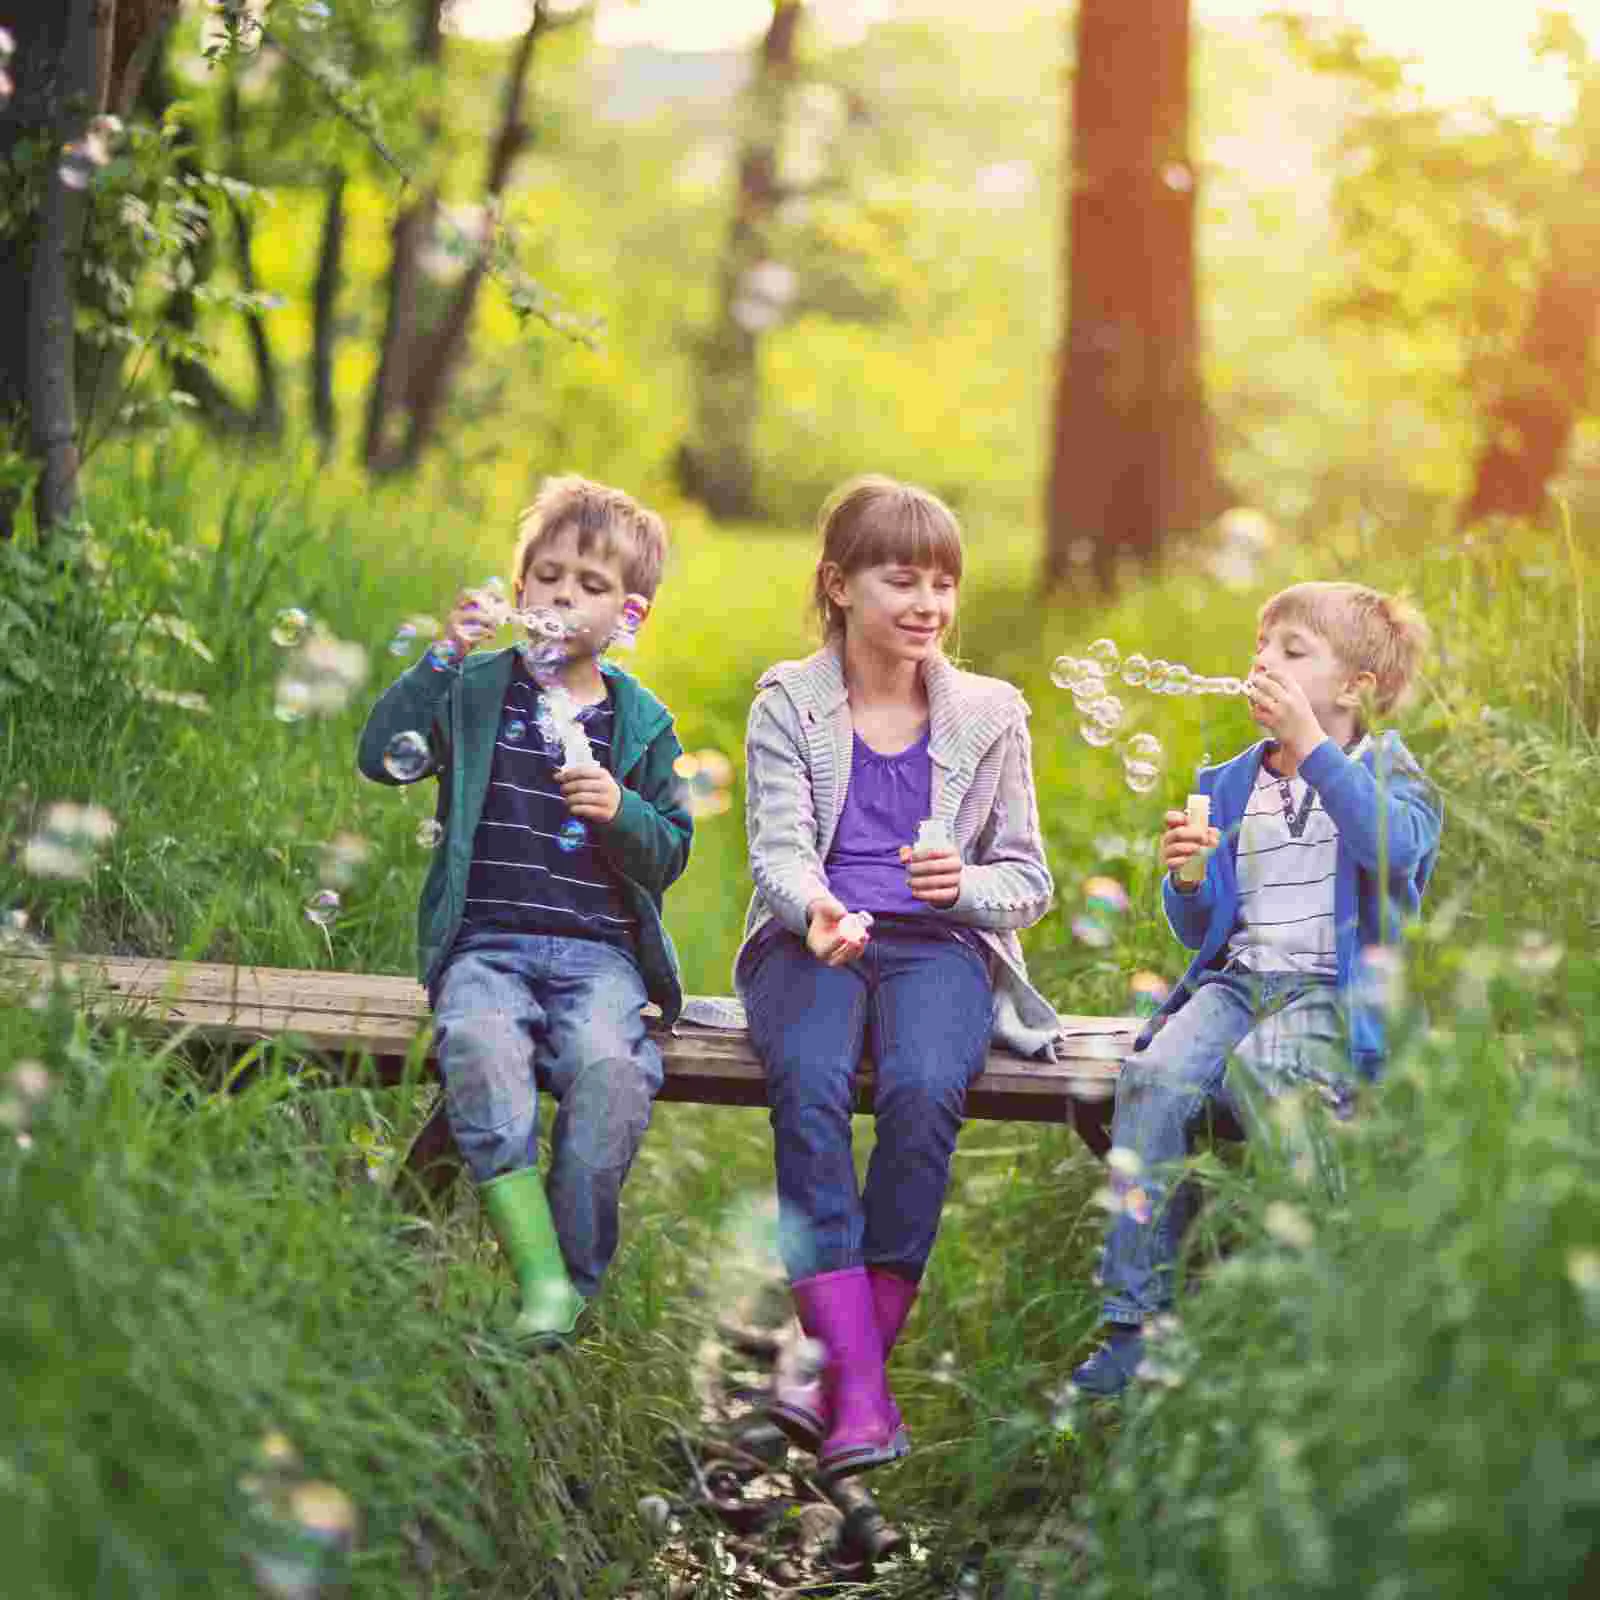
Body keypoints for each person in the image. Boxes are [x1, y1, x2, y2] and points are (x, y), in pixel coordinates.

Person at [736, 475, 1057, 1478]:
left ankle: (829, 1370)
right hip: (813, 943)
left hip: (940, 949)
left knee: (923, 1091)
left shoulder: (991, 713)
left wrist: (961, 886)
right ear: (837, 584)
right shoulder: (788, 702)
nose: (927, 604)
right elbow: (777, 854)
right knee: (812, 1086)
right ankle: (863, 1393)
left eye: (943, 584)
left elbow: (1030, 879)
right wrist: (819, 910)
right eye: (900, 580)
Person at [1072, 580, 1440, 1397]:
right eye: (1261, 646)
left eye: (1291, 651)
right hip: (1239, 982)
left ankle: (1318, 1297)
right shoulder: (1231, 781)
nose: (1262, 662)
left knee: (1266, 1074)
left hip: (1330, 994)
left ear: (1355, 690)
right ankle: (1137, 1324)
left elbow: (1396, 850)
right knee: (1154, 1077)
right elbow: (1200, 926)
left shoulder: (1386, 771)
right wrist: (1190, 878)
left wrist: (1315, 749)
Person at [357, 476, 691, 1347]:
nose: (561, 597)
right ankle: (539, 1272)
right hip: (487, 948)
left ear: (629, 616)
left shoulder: (642, 723)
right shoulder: (473, 690)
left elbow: (672, 851)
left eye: (588, 585)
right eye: (547, 577)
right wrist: (437, 658)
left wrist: (620, 810)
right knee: (480, 1045)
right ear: (518, 591)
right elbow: (381, 759)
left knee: (609, 1074)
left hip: (602, 961)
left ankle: (570, 1283)